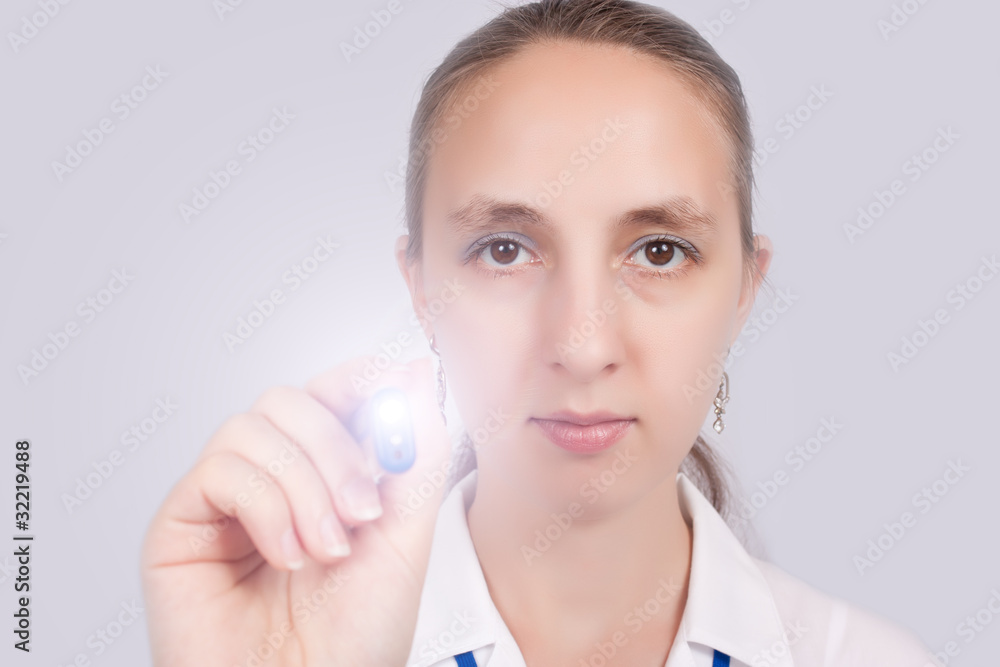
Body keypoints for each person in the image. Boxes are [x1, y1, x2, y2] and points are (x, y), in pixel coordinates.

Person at [141, 1, 940, 665]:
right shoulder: (303, 641)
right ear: (420, 288)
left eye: (660, 251)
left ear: (743, 289)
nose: (584, 346)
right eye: (504, 250)